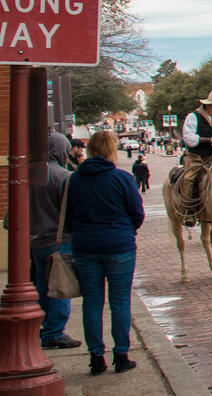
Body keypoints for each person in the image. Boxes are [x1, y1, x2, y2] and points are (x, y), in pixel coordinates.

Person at [65, 130, 144, 375]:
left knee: (92, 303)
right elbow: (137, 213)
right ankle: (121, 354)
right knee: (119, 302)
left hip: (86, 246)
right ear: (111, 150)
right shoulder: (121, 178)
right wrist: (126, 229)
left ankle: (96, 357)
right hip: (119, 245)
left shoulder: (75, 179)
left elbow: (69, 216)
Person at [30, 132, 81, 350]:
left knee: (42, 286)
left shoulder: (28, 175)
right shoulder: (64, 176)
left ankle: (44, 327)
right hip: (59, 240)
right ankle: (54, 332)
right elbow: (74, 211)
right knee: (60, 286)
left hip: (34, 242)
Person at [179, 90, 212, 227]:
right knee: (189, 178)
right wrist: (209, 140)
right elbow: (188, 138)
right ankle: (188, 211)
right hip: (195, 156)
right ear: (210, 105)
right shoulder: (193, 117)